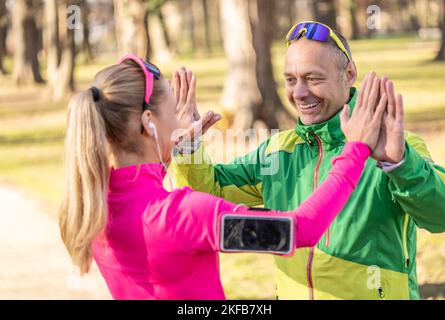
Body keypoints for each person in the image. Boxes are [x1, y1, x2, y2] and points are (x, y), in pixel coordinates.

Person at [59, 54, 386, 300]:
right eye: (173, 111)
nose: (179, 120)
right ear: (148, 123)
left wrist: (171, 150)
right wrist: (355, 150)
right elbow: (298, 230)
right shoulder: (187, 215)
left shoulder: (95, 204)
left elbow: (139, 190)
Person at [171, 21, 445, 299]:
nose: (299, 93)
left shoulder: (396, 146)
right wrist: (188, 148)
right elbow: (209, 197)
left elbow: (441, 215)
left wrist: (400, 164)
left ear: (349, 74)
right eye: (291, 80)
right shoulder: (277, 152)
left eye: (313, 78)